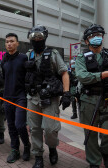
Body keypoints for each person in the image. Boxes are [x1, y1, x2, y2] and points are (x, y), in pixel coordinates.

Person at [25, 25, 70, 168]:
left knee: (50, 129)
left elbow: (64, 72)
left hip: (50, 98)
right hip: (33, 98)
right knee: (34, 128)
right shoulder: (28, 55)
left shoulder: (53, 53)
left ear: (44, 38)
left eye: (39, 37)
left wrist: (67, 92)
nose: (36, 40)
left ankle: (52, 148)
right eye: (33, 38)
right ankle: (38, 156)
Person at [75, 24, 108, 168]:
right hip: (88, 100)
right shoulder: (82, 57)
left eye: (99, 35)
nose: (96, 38)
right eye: (92, 36)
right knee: (91, 135)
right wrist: (103, 75)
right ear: (87, 41)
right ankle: (94, 162)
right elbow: (83, 76)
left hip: (107, 99)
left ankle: (106, 154)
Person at [1, 33, 31, 163]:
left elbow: (28, 77)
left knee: (20, 125)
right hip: (7, 97)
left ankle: (27, 145)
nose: (9, 44)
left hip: (20, 97)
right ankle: (15, 150)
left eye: (12, 41)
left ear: (17, 43)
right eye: (7, 41)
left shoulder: (23, 58)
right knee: (11, 125)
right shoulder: (4, 60)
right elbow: (4, 78)